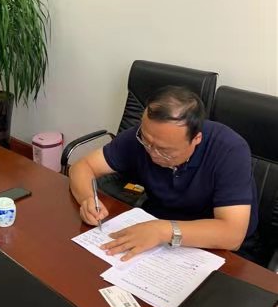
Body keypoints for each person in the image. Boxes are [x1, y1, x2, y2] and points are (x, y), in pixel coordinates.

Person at [68, 85, 258, 262]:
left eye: (165, 150)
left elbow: (232, 235)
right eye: (146, 141)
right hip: (156, 233)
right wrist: (87, 199)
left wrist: (162, 231)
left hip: (214, 250)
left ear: (196, 139)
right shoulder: (144, 137)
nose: (152, 153)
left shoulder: (229, 150)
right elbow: (83, 166)